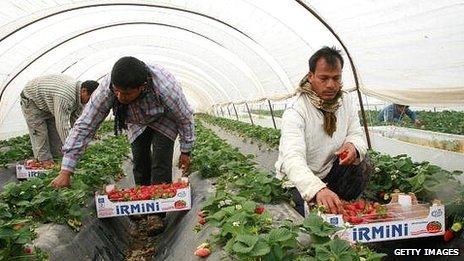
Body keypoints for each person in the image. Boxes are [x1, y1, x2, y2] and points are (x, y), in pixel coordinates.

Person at [51, 56, 194, 203]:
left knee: (161, 163)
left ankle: (158, 212)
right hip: (136, 121)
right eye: (117, 91)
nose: (119, 97)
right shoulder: (107, 88)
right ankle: (143, 204)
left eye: (126, 94)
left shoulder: (165, 88)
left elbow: (184, 117)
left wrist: (185, 150)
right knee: (140, 161)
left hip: (164, 120)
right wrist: (66, 171)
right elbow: (86, 124)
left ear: (142, 87)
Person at [275, 46, 372, 216]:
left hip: (329, 172)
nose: (331, 85)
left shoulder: (345, 101)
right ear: (311, 76)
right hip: (299, 179)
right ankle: (324, 203)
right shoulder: (297, 109)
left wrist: (352, 146)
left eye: (336, 78)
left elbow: (356, 133)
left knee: (363, 163)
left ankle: (342, 204)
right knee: (305, 214)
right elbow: (292, 158)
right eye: (323, 78)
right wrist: (316, 189)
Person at [20, 75, 98, 167]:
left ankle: (57, 160)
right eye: (90, 98)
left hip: (48, 102)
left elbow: (77, 123)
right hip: (32, 100)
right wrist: (72, 152)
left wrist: (81, 144)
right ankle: (44, 162)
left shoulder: (79, 98)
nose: (90, 101)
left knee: (55, 137)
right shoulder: (65, 96)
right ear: (84, 91)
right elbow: (63, 126)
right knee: (41, 133)